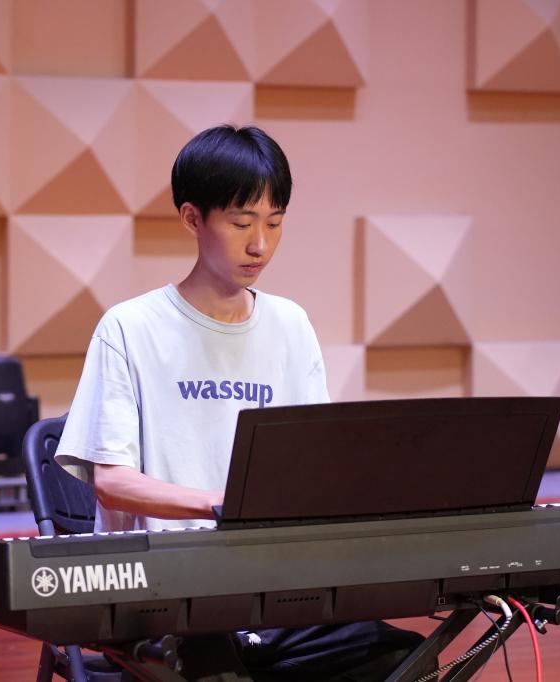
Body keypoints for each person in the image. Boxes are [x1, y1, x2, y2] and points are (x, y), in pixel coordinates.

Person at [57, 125, 424, 681]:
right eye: (242, 222)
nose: (260, 245)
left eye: (274, 223)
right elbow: (111, 482)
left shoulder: (291, 325)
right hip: (165, 594)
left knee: (404, 661)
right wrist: (221, 504)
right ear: (192, 219)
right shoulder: (130, 328)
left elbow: (314, 463)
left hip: (271, 587)